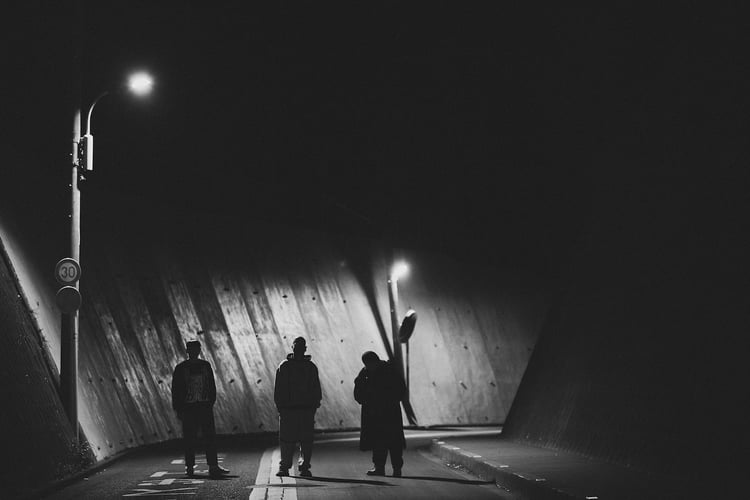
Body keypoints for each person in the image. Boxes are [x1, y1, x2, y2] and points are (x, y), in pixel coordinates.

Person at [171, 340, 230, 478]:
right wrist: (178, 408)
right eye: (192, 349)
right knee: (192, 437)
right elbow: (176, 389)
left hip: (201, 405)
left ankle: (207, 466)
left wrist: (210, 401)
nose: (194, 351)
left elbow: (211, 385)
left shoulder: (202, 366)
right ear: (188, 351)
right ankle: (196, 466)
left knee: (205, 436)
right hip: (192, 406)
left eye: (196, 349)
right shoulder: (184, 367)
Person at [274, 336, 322, 477]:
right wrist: (314, 405)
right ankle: (302, 467)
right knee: (303, 440)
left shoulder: (285, 366)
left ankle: (286, 467)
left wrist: (280, 406)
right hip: (300, 409)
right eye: (298, 347)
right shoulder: (309, 367)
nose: (299, 350)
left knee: (289, 440)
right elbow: (316, 389)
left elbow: (279, 389)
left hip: (293, 409)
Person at [354, 351, 406, 477]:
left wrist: (366, 400)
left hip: (380, 412)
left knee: (382, 440)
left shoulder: (368, 373)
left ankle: (387, 468)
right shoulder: (389, 370)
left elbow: (359, 391)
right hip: (389, 412)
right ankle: (389, 468)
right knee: (387, 441)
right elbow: (401, 389)